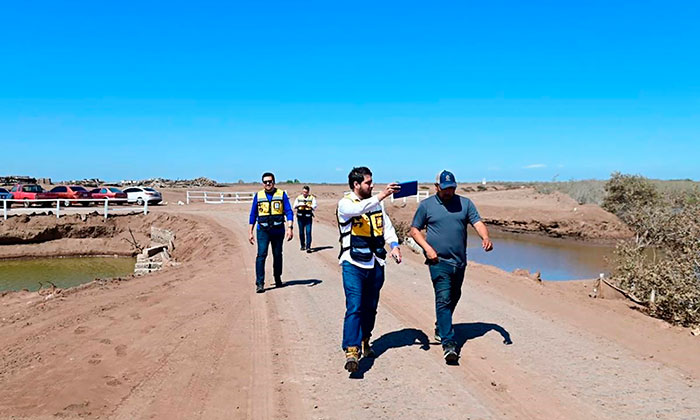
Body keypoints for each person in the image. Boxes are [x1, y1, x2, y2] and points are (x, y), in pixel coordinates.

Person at [409, 170, 494, 364]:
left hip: (459, 261)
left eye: (452, 188)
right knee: (444, 298)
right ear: (437, 187)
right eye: (446, 189)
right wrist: (428, 249)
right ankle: (449, 343)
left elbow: (477, 222)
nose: (449, 192)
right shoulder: (426, 205)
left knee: (455, 295)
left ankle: (441, 325)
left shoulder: (465, 203)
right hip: (438, 262)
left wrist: (485, 237)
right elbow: (415, 230)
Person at [337, 167, 402, 373]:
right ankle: (351, 350)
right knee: (354, 305)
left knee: (370, 307)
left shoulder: (377, 205)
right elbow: (358, 210)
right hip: (353, 263)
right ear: (356, 185)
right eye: (368, 182)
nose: (372, 185)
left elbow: (388, 228)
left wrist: (394, 246)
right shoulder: (345, 204)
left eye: (372, 182)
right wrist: (383, 195)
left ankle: (365, 340)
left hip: (375, 263)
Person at [248, 172, 294, 293]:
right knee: (261, 255)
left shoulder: (281, 194)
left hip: (278, 230)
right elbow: (253, 214)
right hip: (263, 230)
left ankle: (277, 277)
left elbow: (289, 211)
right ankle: (259, 283)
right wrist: (250, 232)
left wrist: (290, 228)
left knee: (278, 255)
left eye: (270, 181)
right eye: (265, 182)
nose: (268, 184)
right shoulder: (258, 196)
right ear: (263, 183)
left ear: (274, 182)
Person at [293, 185, 317, 252]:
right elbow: (294, 206)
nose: (304, 193)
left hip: (308, 217)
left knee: (308, 232)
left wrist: (309, 206)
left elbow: (315, 206)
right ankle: (302, 245)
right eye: (303, 192)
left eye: (306, 192)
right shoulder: (298, 198)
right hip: (300, 217)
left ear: (308, 192)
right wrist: (300, 205)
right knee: (301, 232)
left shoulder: (312, 198)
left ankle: (308, 247)